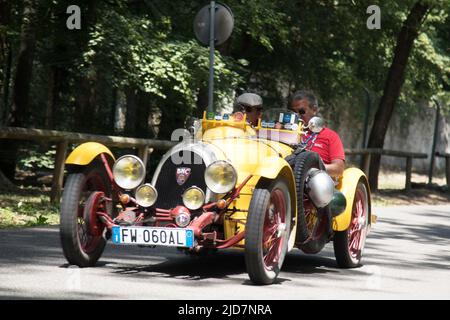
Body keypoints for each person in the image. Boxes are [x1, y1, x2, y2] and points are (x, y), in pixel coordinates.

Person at [290, 90, 345, 179]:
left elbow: (338, 169)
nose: (297, 116)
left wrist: (312, 169)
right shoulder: (286, 133)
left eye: (301, 111)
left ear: (314, 110)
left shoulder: (330, 136)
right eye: (293, 112)